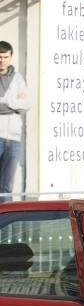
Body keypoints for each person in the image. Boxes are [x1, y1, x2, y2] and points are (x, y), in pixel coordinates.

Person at [0, 41, 30, 203]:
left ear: (10, 57)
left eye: (5, 56)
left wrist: (4, 100)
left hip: (13, 138)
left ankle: (4, 225)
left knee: (7, 187)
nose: (2, 60)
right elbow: (19, 104)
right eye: (0, 57)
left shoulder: (17, 78)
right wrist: (14, 103)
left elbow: (27, 104)